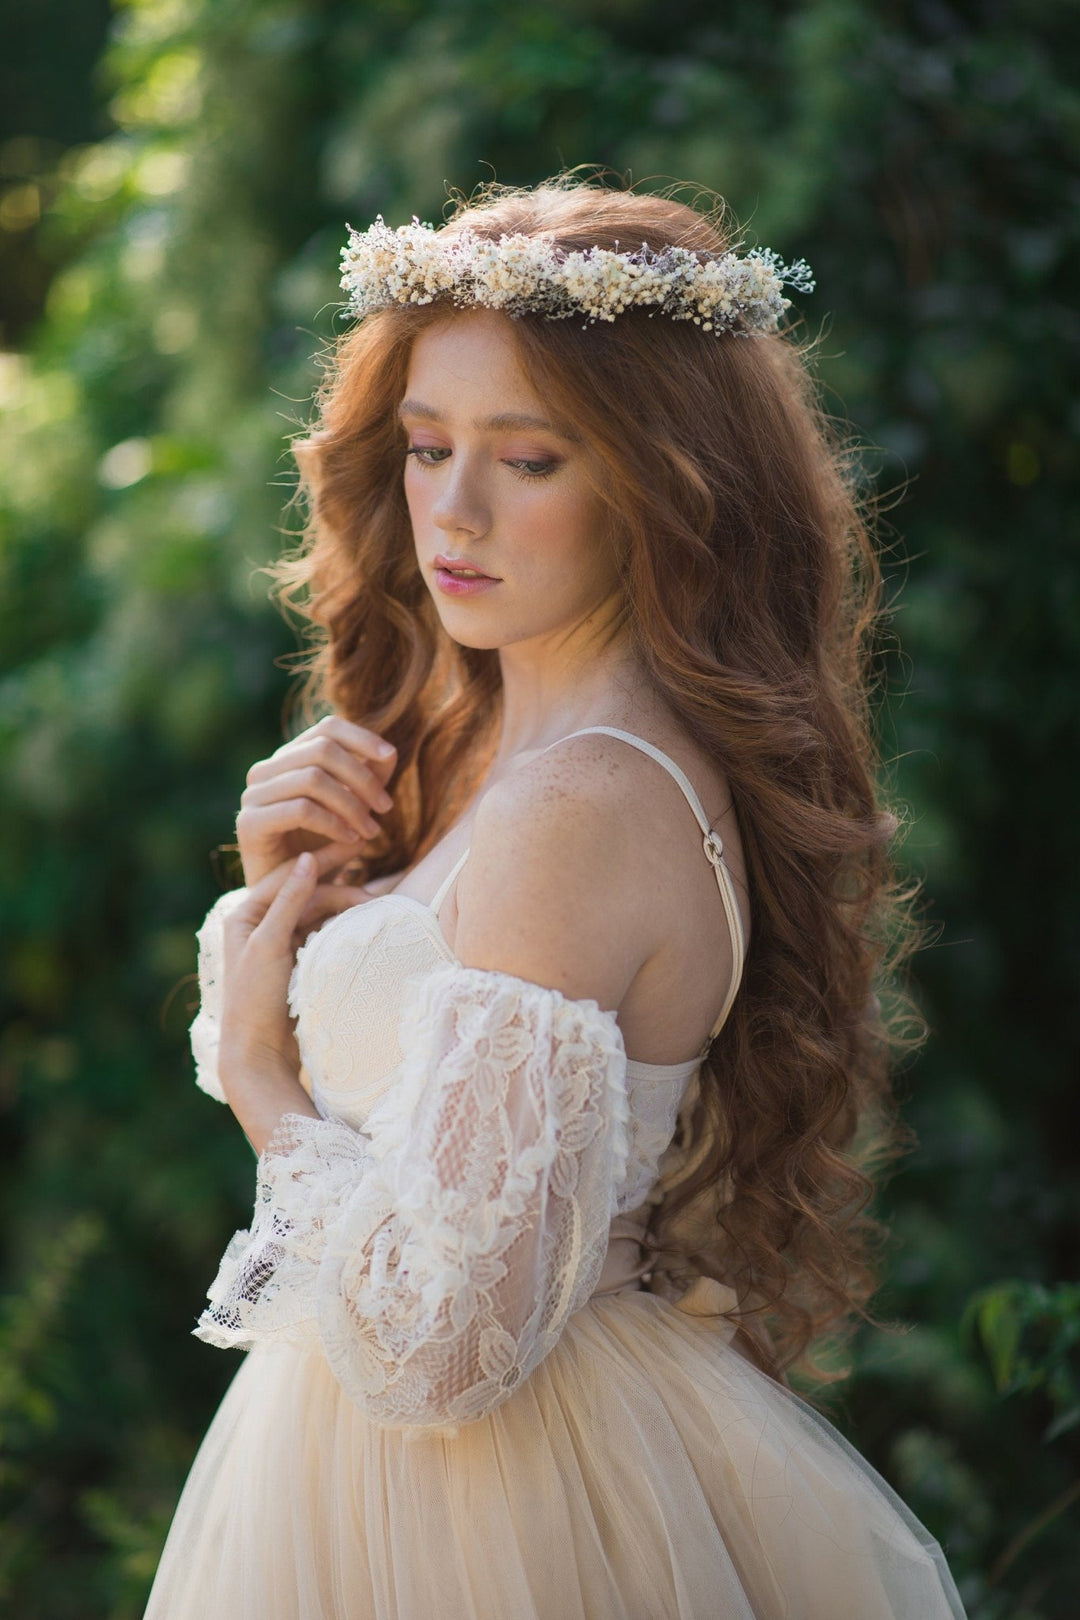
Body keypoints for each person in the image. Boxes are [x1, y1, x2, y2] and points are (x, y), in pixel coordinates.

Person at [144, 173, 968, 1618]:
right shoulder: (490, 751)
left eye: (527, 460)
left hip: (488, 1513)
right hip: (393, 1480)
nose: (452, 512)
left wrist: (265, 1078)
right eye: (427, 446)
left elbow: (441, 1350)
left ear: (664, 483)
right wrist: (305, 899)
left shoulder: (579, 803)